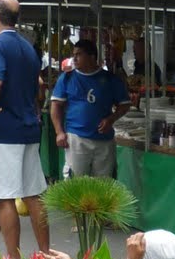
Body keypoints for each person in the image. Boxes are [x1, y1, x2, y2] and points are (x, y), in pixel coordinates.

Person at [0, 0, 50, 259]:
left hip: (4, 130)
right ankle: (45, 253)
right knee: (34, 195)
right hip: (28, 127)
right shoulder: (27, 46)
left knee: (4, 197)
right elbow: (40, 86)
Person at [49, 38, 129, 177]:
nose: (74, 58)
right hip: (76, 138)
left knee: (104, 184)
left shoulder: (110, 79)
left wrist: (111, 119)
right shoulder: (67, 78)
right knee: (76, 183)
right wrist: (59, 132)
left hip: (104, 141)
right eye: (73, 54)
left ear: (92, 57)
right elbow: (56, 105)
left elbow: (125, 104)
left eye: (79, 54)